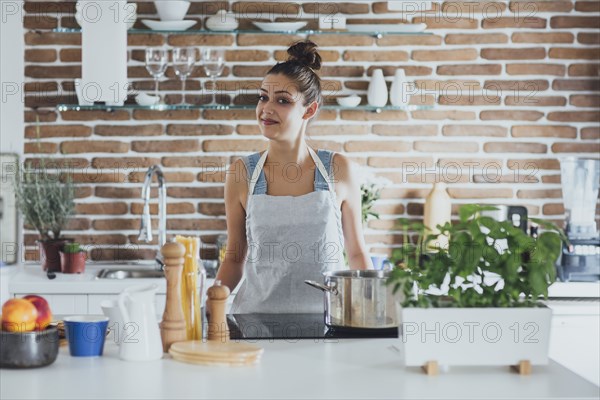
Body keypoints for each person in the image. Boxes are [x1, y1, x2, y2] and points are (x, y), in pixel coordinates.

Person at [215, 40, 372, 314]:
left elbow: (356, 252)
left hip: (327, 321)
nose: (266, 108)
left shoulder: (339, 169)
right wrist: (211, 299)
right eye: (263, 97)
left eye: (283, 100)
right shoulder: (241, 173)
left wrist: (370, 303)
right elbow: (234, 259)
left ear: (309, 110)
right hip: (254, 323)